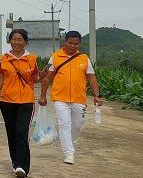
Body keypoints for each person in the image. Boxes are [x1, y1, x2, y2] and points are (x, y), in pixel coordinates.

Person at [39, 30, 101, 165]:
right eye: (70, 43)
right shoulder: (55, 57)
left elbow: (92, 77)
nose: (72, 46)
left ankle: (66, 139)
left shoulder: (84, 59)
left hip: (79, 99)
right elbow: (47, 78)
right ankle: (69, 154)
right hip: (60, 97)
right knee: (64, 124)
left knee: (78, 124)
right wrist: (42, 96)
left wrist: (97, 95)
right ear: (65, 42)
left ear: (79, 44)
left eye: (75, 44)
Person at [0, 29, 43, 178]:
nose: (17, 42)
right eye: (14, 39)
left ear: (25, 42)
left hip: (26, 101)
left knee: (21, 131)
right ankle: (15, 162)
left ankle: (23, 166)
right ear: (10, 41)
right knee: (11, 133)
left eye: (20, 39)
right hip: (7, 101)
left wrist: (44, 75)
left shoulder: (32, 59)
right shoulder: (3, 59)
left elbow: (36, 78)